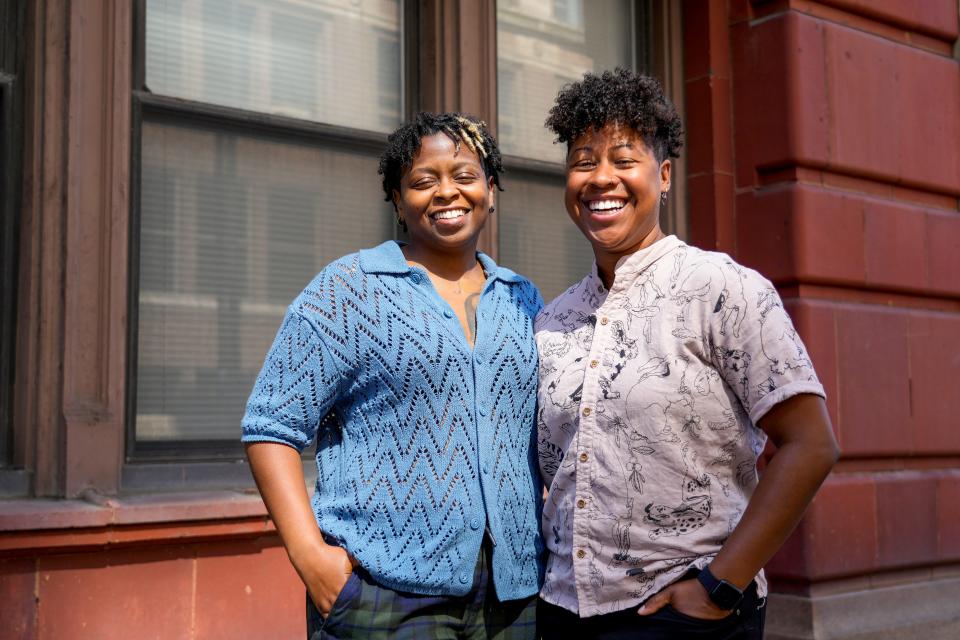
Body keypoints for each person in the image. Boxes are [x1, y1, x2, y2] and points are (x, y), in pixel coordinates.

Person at [533, 68, 840, 639]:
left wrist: (721, 584)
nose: (602, 178)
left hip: (684, 612)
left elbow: (811, 444)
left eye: (624, 160)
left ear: (665, 174)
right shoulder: (553, 320)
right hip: (562, 613)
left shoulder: (722, 288)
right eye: (583, 161)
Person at [241, 112, 544, 640]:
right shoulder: (350, 288)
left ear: (491, 190)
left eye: (466, 176)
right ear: (398, 201)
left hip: (514, 596)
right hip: (385, 592)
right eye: (423, 181)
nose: (446, 192)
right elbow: (271, 426)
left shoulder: (522, 297)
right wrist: (311, 558)